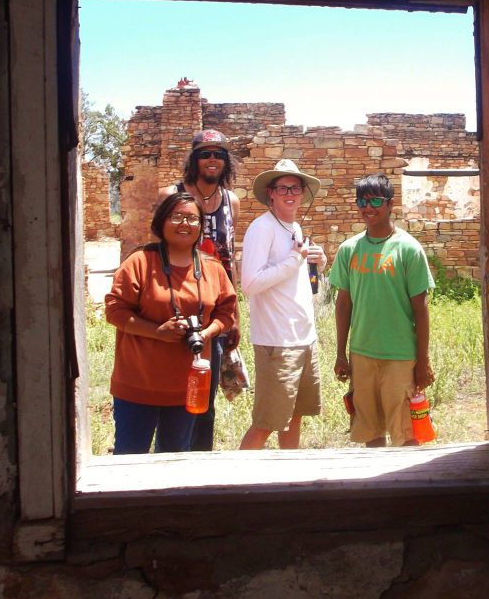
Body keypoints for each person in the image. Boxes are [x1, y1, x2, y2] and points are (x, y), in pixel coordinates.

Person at [105, 191, 236, 455]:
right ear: (162, 221)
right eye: (176, 217)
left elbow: (227, 312)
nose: (184, 224)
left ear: (201, 226)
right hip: (138, 385)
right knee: (129, 460)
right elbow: (115, 311)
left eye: (192, 219)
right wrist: (157, 332)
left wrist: (207, 333)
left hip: (189, 386)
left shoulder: (212, 267)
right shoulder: (140, 262)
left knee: (176, 460)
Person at [329, 173, 435, 448]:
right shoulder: (349, 249)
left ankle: (408, 489)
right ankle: (376, 489)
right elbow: (344, 305)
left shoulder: (408, 249)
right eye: (361, 201)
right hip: (362, 354)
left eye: (375, 200)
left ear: (390, 204)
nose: (368, 207)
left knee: (406, 434)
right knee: (371, 433)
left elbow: (421, 309)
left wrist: (422, 361)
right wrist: (341, 354)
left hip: (400, 356)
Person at [159, 129, 240, 450]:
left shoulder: (231, 201)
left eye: (219, 154)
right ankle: (167, 463)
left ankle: (199, 469)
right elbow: (156, 252)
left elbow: (230, 258)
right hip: (177, 308)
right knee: (171, 394)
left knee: (205, 400)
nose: (212, 159)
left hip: (215, 314)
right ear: (194, 159)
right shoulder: (172, 195)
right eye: (205, 153)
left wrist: (234, 315)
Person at [239, 158, 327, 450]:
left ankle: (290, 483)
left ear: (303, 193)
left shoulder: (295, 227)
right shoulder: (261, 228)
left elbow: (292, 277)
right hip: (277, 341)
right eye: (283, 188)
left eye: (296, 188)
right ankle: (233, 487)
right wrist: (295, 259)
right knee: (267, 422)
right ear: (271, 193)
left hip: (303, 338)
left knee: (295, 416)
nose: (290, 193)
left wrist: (318, 263)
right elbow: (250, 284)